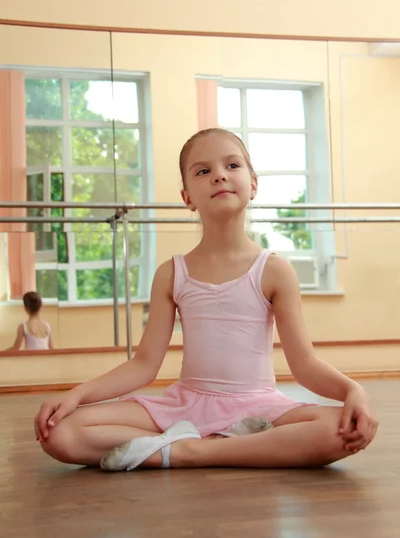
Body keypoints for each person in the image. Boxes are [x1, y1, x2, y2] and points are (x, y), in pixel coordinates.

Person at [34, 128, 378, 471]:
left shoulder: (274, 270)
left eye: (232, 165)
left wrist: (353, 391)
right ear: (187, 198)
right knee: (59, 432)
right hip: (184, 406)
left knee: (341, 429)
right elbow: (143, 365)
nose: (219, 176)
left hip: (257, 408)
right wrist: (76, 395)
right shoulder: (172, 273)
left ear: (253, 184)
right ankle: (213, 444)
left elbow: (304, 364)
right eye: (203, 171)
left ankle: (187, 451)